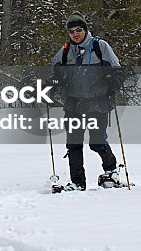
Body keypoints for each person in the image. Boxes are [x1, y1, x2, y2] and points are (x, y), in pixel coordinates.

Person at [51, 12, 124, 190]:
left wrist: (115, 81)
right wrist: (51, 85)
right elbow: (56, 74)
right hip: (73, 104)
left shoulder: (100, 46)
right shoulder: (66, 50)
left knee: (97, 142)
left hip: (97, 103)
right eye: (71, 31)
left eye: (79, 30)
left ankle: (111, 171)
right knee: (74, 143)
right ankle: (77, 183)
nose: (75, 34)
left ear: (85, 30)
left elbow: (117, 70)